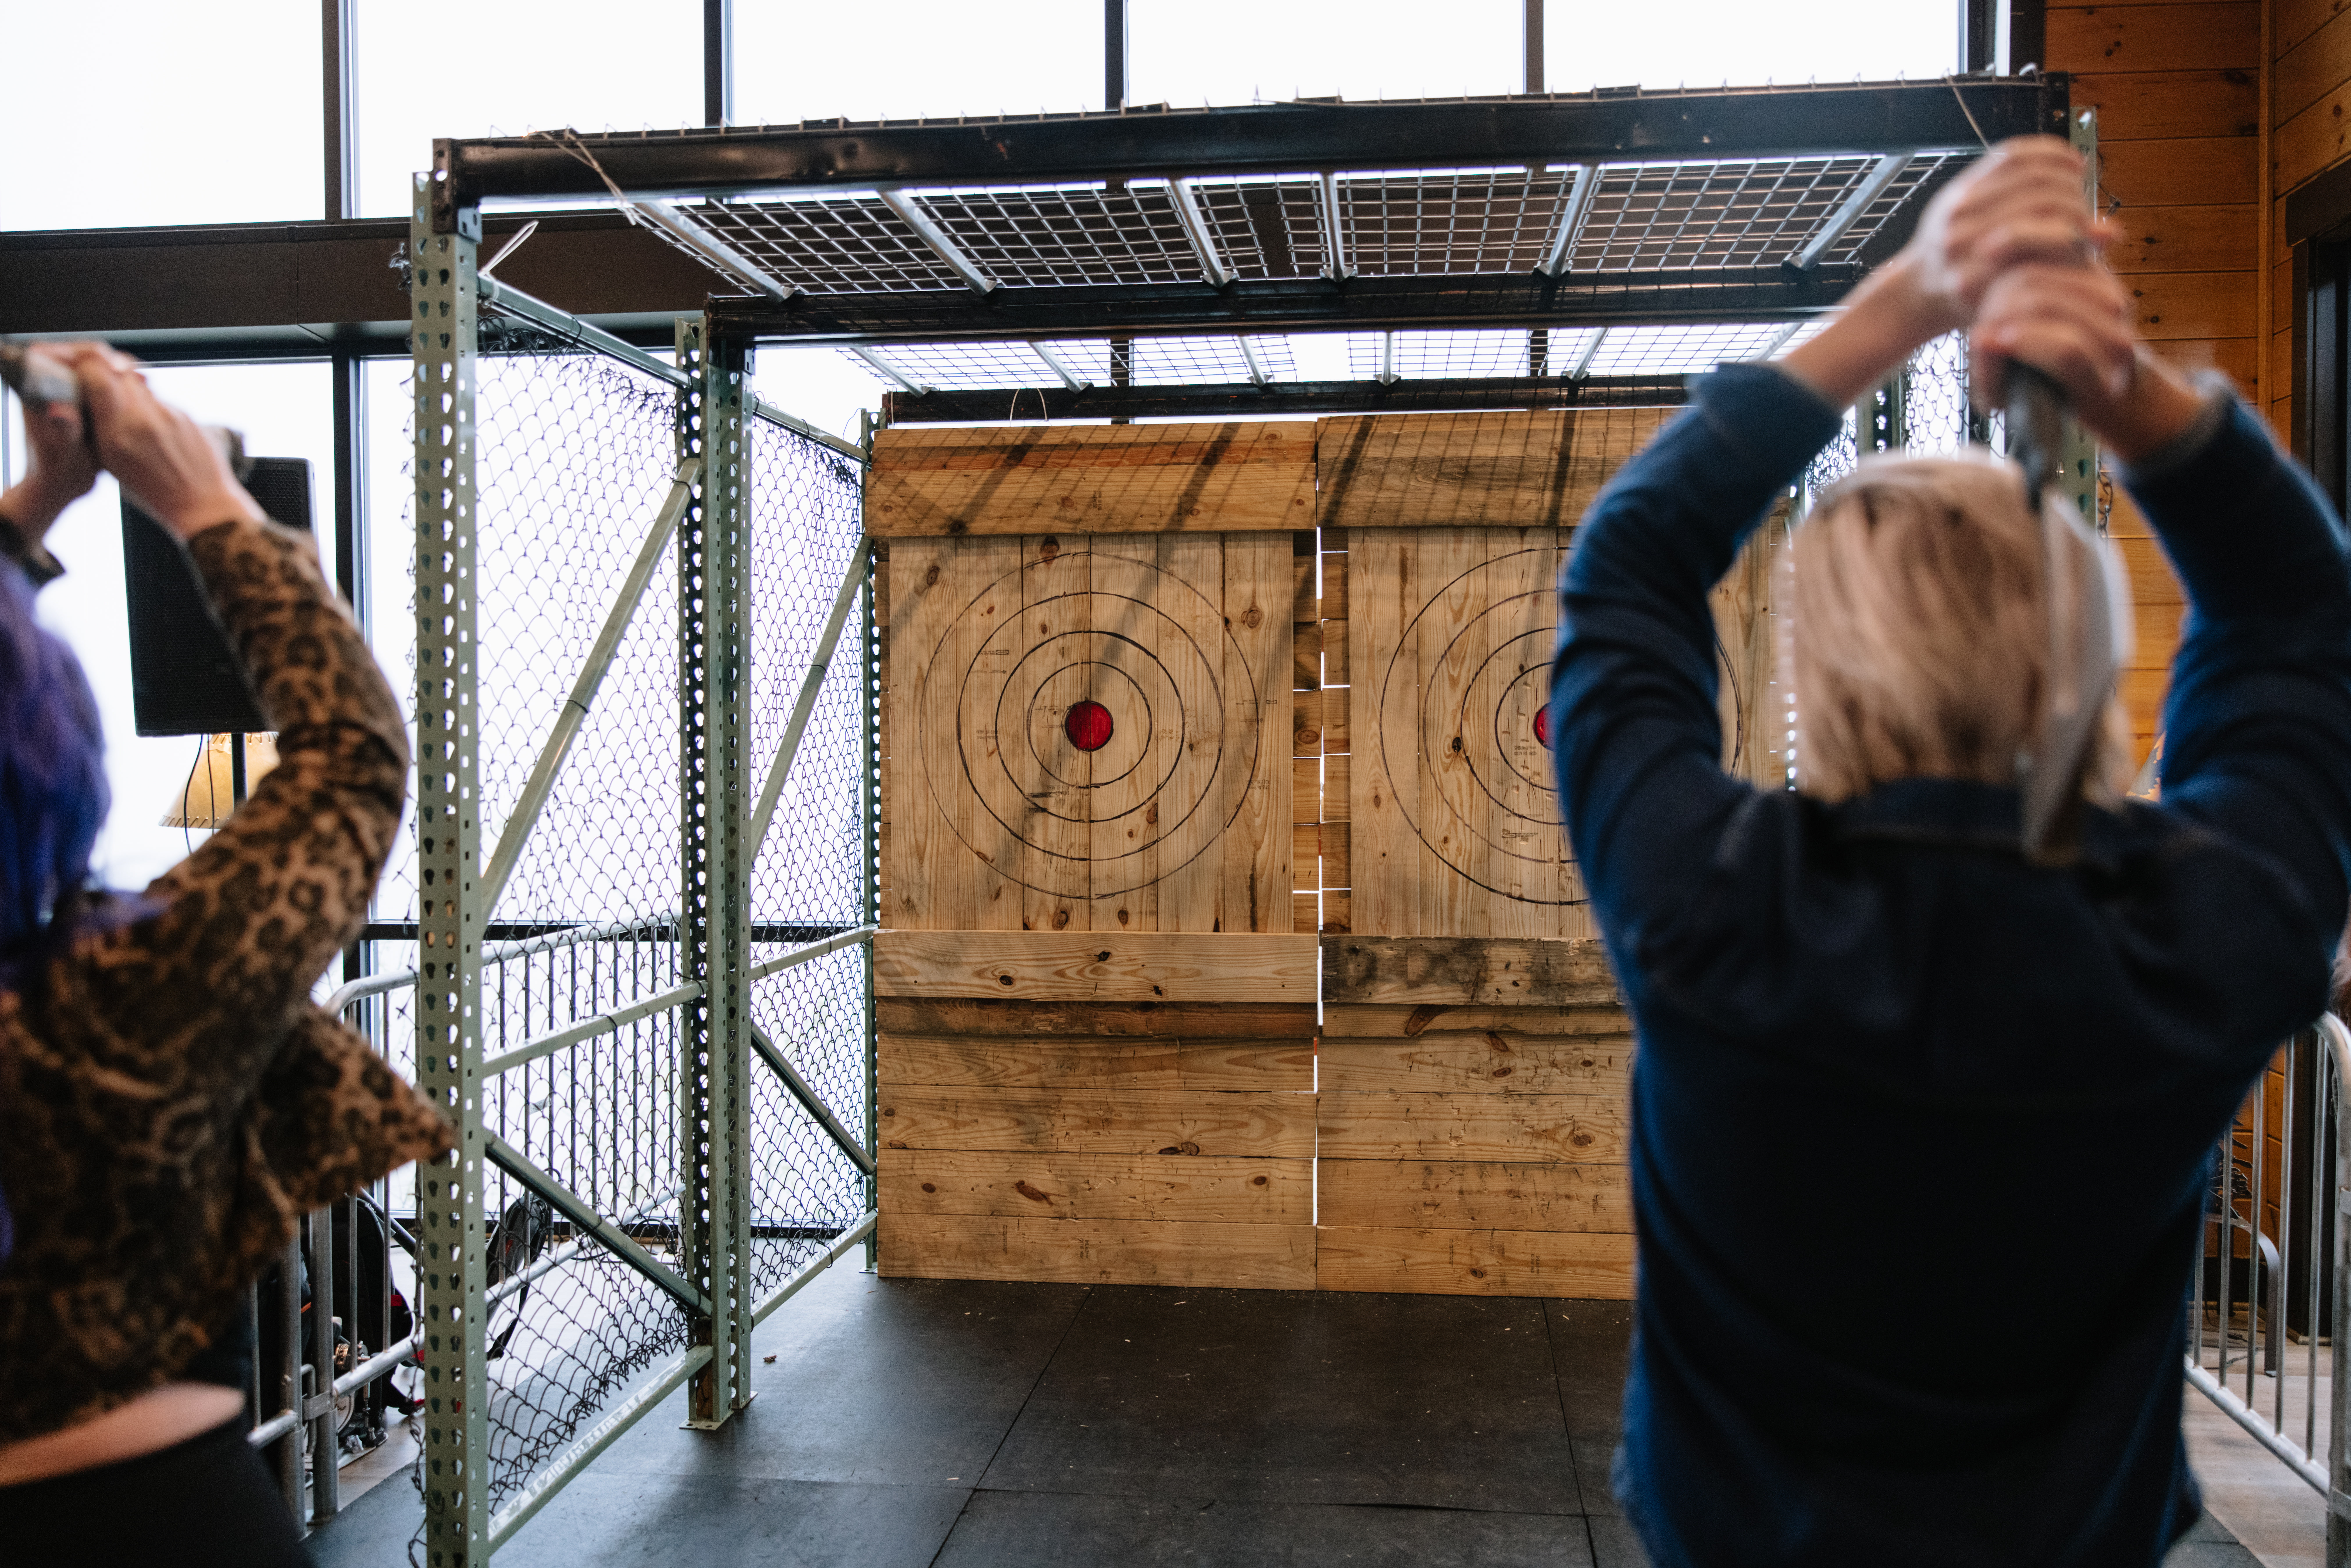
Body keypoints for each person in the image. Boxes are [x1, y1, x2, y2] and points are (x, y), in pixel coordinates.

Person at [1549, 137, 2351, 1567]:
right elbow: (2300, 616)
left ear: (1824, 668)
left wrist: (1909, 300)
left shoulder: (1717, 906)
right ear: (2083, 652)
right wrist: (2120, 381)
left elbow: (1626, 570)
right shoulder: (2201, 941)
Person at [0, 344, 449, 1564]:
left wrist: (29, 514)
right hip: (161, 1513)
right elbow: (352, 752)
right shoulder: (115, 993)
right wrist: (203, 500)